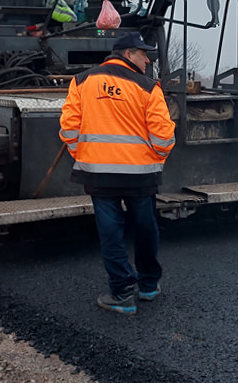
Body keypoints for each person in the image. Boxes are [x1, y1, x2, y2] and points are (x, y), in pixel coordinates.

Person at [60, 32, 176, 314]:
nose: (148, 60)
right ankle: (148, 286)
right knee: (146, 228)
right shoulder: (148, 87)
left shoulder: (82, 81)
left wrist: (84, 154)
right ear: (127, 54)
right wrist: (154, 159)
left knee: (111, 232)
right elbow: (164, 137)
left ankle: (122, 292)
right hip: (141, 175)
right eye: (143, 53)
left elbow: (68, 128)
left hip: (99, 174)